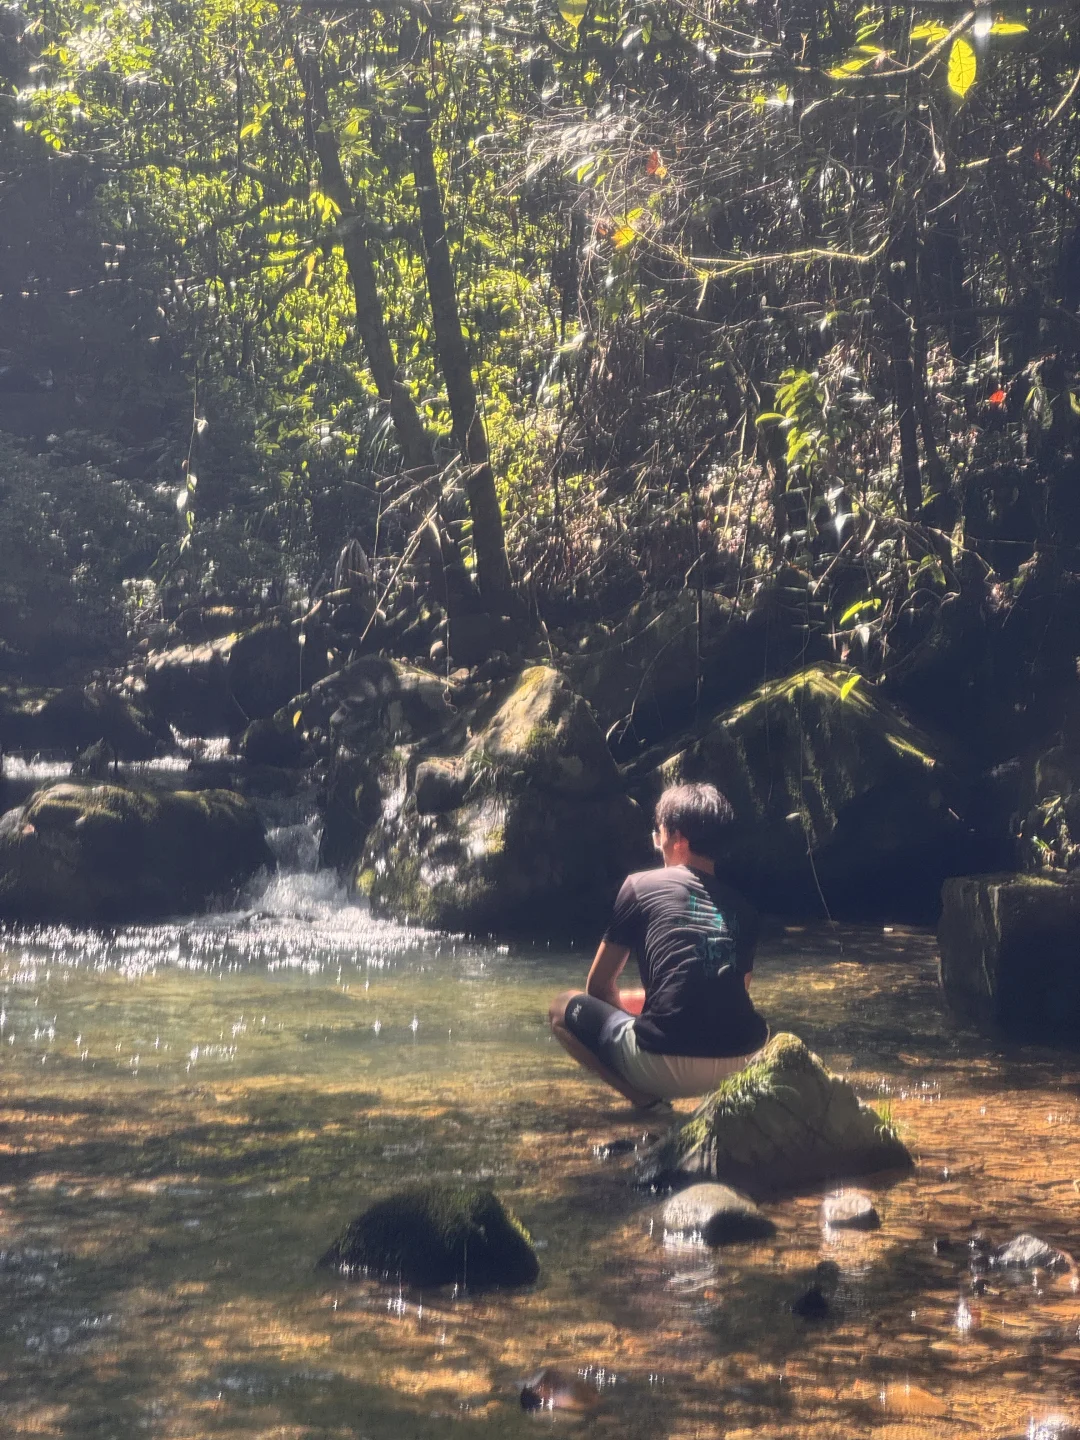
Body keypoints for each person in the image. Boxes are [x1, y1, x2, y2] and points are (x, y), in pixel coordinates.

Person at [548, 782, 768, 1109]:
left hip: (662, 1064)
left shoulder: (639, 886)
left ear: (677, 839)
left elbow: (597, 986)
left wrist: (643, 1018)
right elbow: (733, 989)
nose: (657, 841)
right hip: (742, 1058)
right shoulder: (744, 909)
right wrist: (652, 1003)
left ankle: (645, 1100)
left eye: (659, 832)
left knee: (561, 1006)